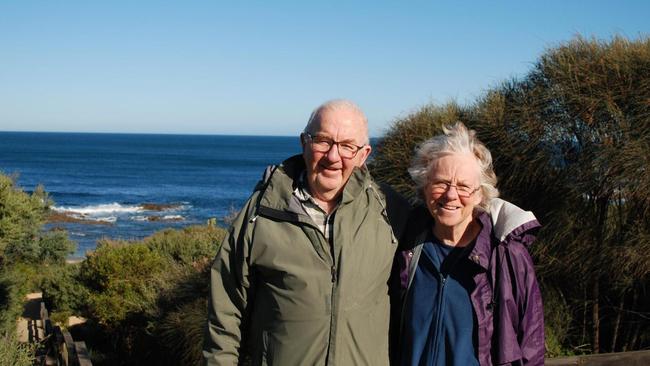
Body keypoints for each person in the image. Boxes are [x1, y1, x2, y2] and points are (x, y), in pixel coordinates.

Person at [203, 99, 410, 365]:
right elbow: (226, 311)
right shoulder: (262, 211)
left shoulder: (391, 211)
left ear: (363, 155)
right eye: (323, 141)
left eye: (347, 146)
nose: (333, 156)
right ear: (304, 142)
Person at [396, 122, 545, 365]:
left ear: (480, 195)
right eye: (441, 183)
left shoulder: (506, 257)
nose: (451, 195)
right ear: (425, 187)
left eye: (464, 186)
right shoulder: (407, 248)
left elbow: (531, 346)